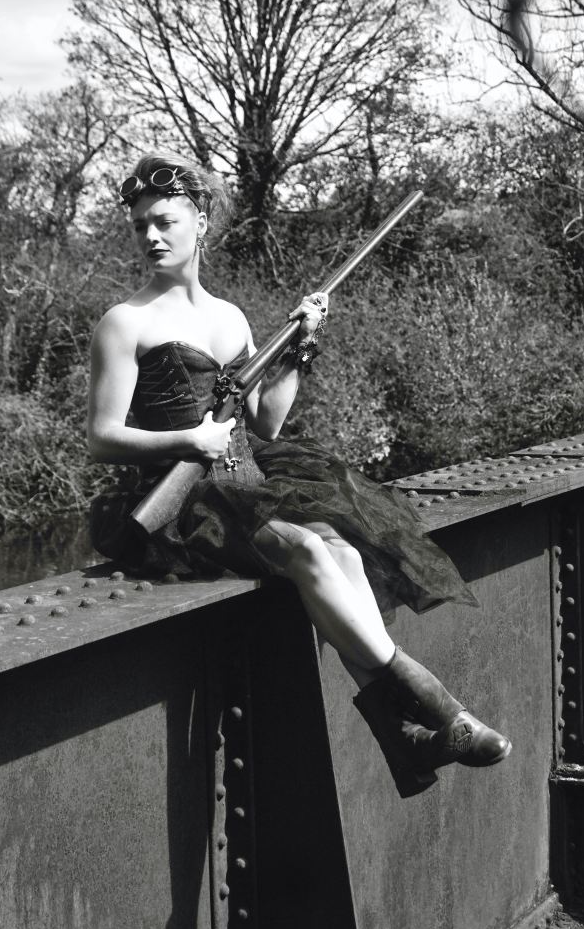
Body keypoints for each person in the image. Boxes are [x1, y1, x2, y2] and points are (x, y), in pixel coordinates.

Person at [87, 152, 512, 798]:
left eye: (164, 221)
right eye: (139, 224)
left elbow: (265, 424)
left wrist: (299, 345)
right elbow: (103, 437)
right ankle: (441, 713)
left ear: (199, 223)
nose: (149, 235)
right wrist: (190, 437)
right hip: (174, 500)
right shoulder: (125, 322)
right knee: (309, 547)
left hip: (244, 479)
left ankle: (402, 739)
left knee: (340, 548)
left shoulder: (228, 318)